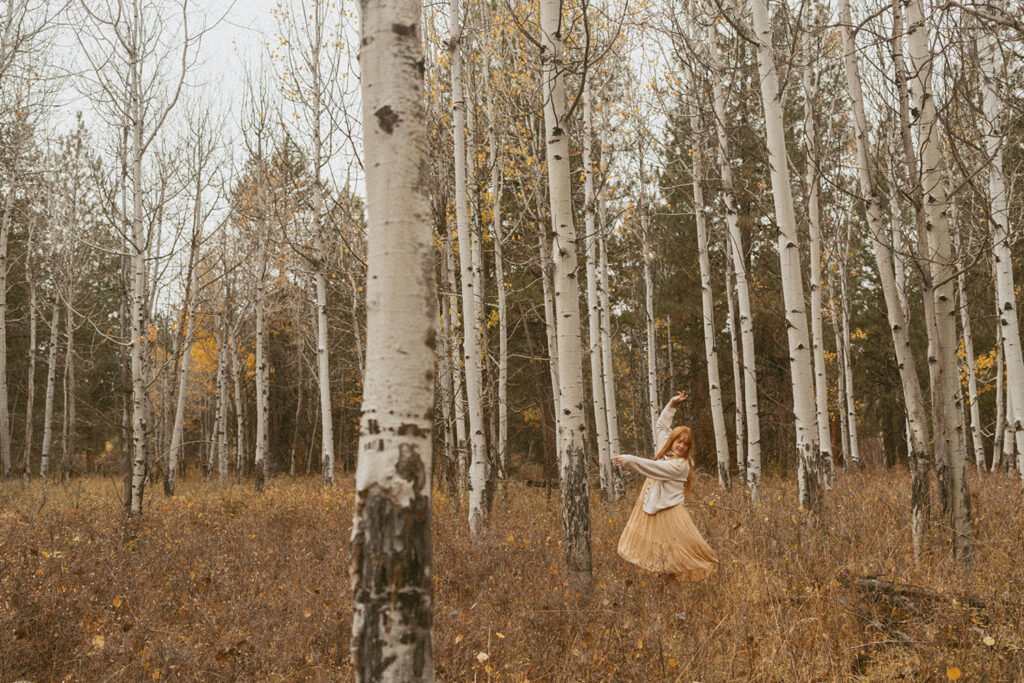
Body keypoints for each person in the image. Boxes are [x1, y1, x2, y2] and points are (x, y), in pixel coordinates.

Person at [612, 390, 718, 607]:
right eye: (678, 441)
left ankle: (679, 611)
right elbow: (661, 427)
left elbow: (654, 467)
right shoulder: (666, 449)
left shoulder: (680, 465)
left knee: (665, 567)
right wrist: (671, 405)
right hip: (653, 512)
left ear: (689, 448)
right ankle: (659, 611)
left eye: (685, 444)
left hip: (668, 516)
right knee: (657, 567)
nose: (680, 446)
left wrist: (629, 459)